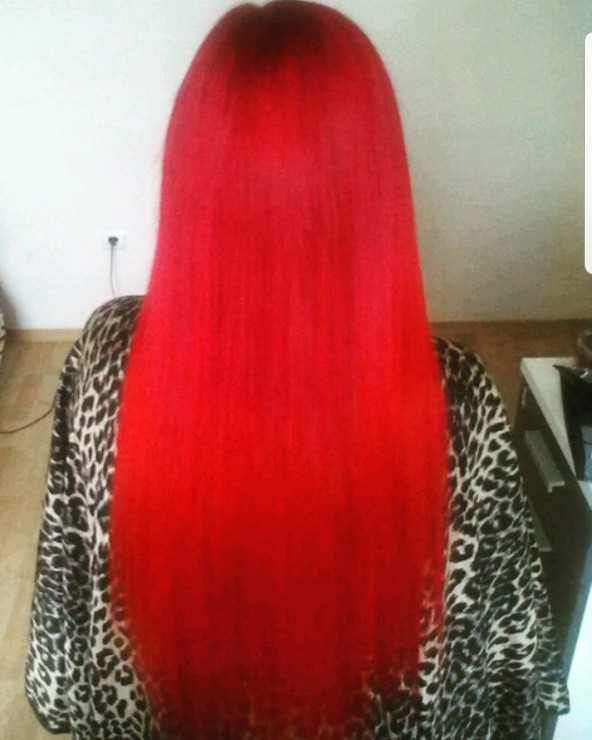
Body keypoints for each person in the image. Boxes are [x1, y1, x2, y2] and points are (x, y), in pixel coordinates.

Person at [26, 2, 568, 738]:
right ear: (376, 182)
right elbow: (514, 668)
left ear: (191, 175)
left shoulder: (102, 361)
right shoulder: (458, 402)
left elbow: (61, 665)